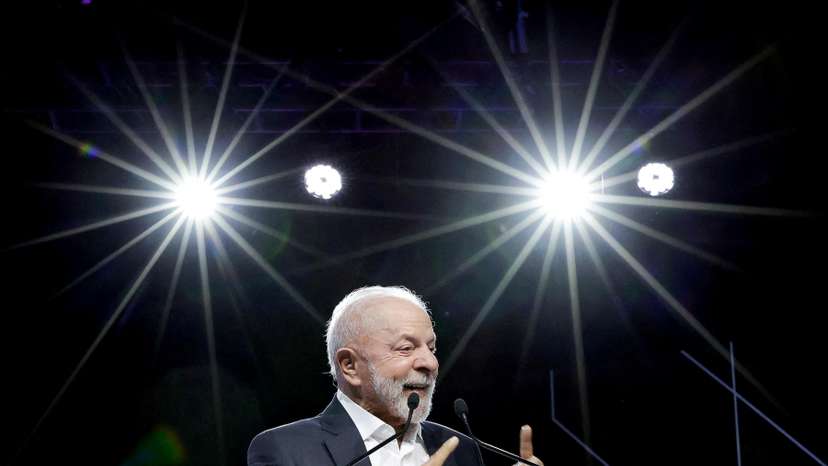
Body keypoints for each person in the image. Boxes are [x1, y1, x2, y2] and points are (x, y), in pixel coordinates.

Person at [248, 285, 544, 466]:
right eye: (405, 348)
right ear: (350, 366)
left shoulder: (460, 449)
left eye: (431, 347)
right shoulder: (285, 451)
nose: (429, 362)